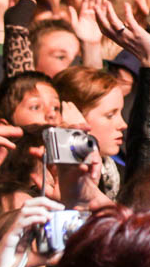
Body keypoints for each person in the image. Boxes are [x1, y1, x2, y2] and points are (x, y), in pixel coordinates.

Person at [53, 66, 127, 198]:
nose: (123, 125)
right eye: (110, 115)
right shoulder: (48, 182)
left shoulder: (121, 176)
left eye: (120, 113)